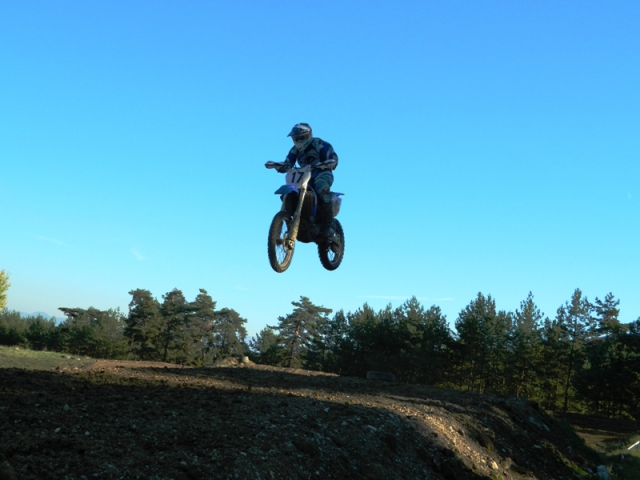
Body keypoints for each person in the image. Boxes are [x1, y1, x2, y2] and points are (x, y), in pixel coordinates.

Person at [271, 123, 339, 239]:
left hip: (321, 173)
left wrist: (329, 162)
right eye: (295, 138)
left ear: (308, 136)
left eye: (300, 138)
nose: (298, 141)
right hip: (303, 175)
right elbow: (288, 163)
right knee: (290, 191)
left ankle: (328, 226)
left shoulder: (320, 144)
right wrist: (277, 165)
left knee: (321, 188)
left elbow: (333, 158)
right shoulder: (295, 150)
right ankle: (292, 217)